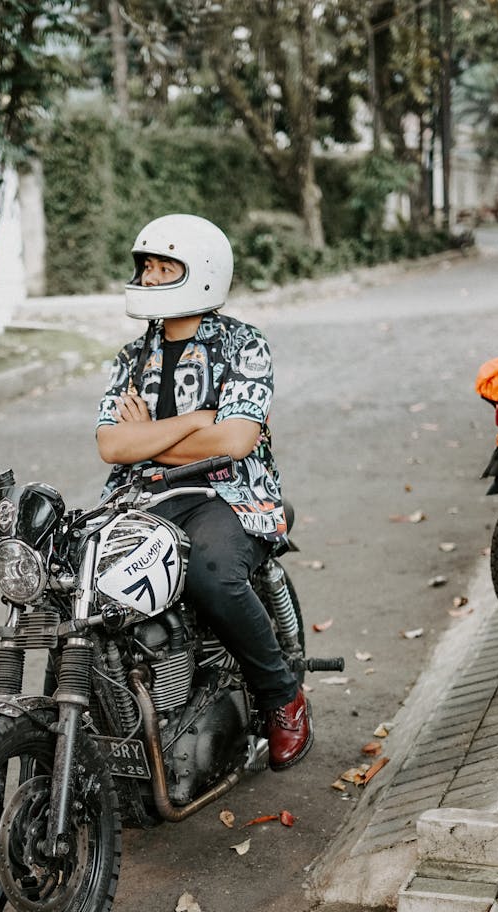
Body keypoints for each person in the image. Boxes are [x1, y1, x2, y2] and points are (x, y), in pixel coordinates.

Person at [95, 213, 312, 770]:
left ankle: (281, 696)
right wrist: (196, 421)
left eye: (165, 268)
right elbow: (111, 447)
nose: (147, 278)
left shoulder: (245, 344)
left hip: (228, 495)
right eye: (145, 267)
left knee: (211, 574)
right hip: (141, 496)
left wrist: (146, 435)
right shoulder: (129, 358)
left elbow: (235, 441)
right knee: (81, 583)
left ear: (203, 273)